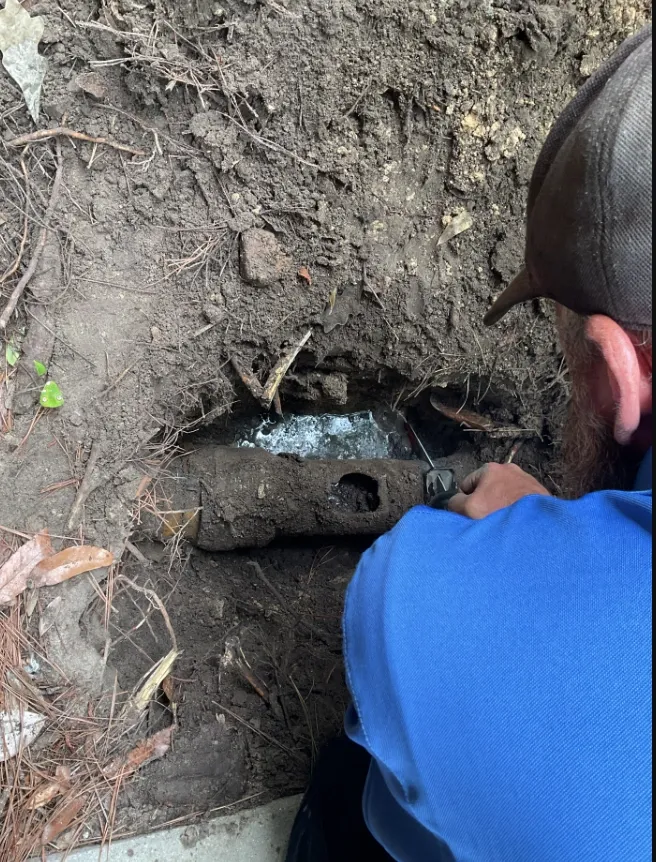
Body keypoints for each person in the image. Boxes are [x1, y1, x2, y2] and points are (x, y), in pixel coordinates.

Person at [286, 23, 652, 862]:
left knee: (368, 782)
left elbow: (417, 606)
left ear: (614, 365)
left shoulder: (430, 593)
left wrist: (530, 555)